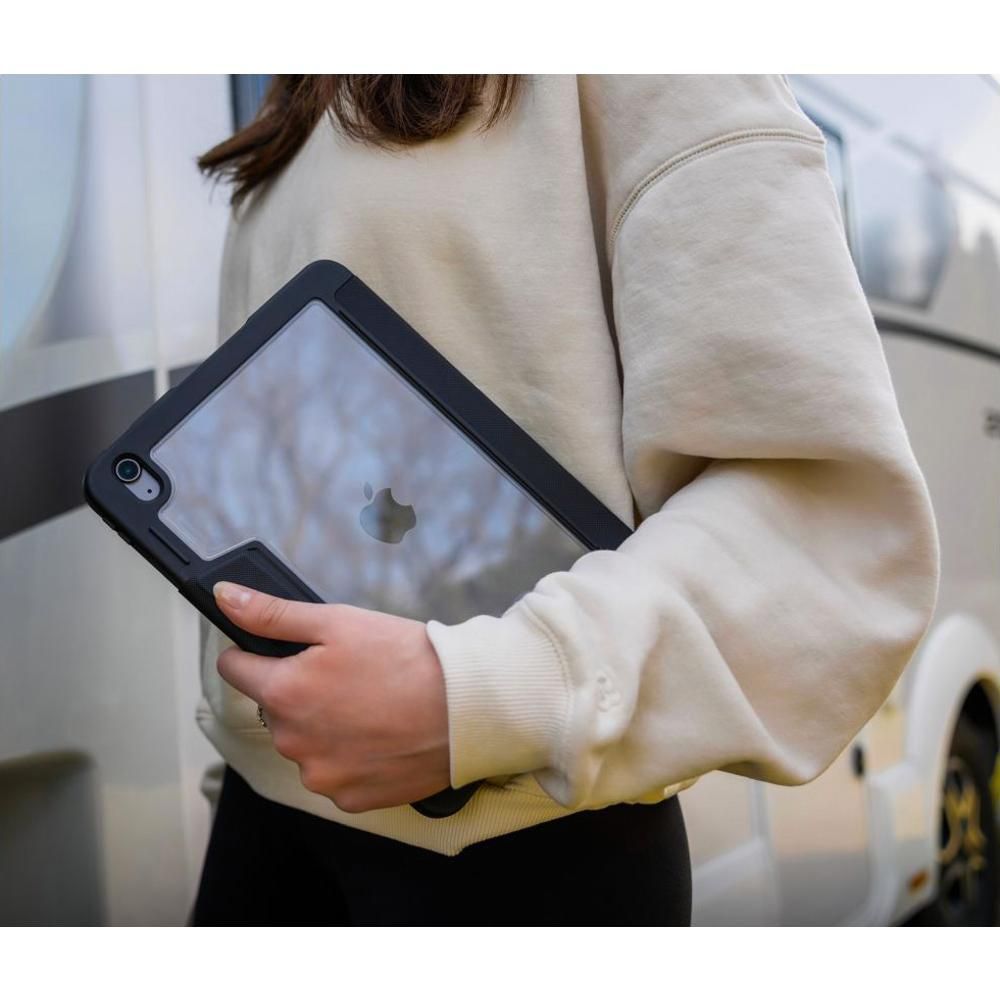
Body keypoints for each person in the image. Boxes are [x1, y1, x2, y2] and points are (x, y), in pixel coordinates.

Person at [190, 74, 940, 926]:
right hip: (267, 817)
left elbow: (820, 516)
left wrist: (483, 694)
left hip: (521, 848)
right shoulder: (303, 94)